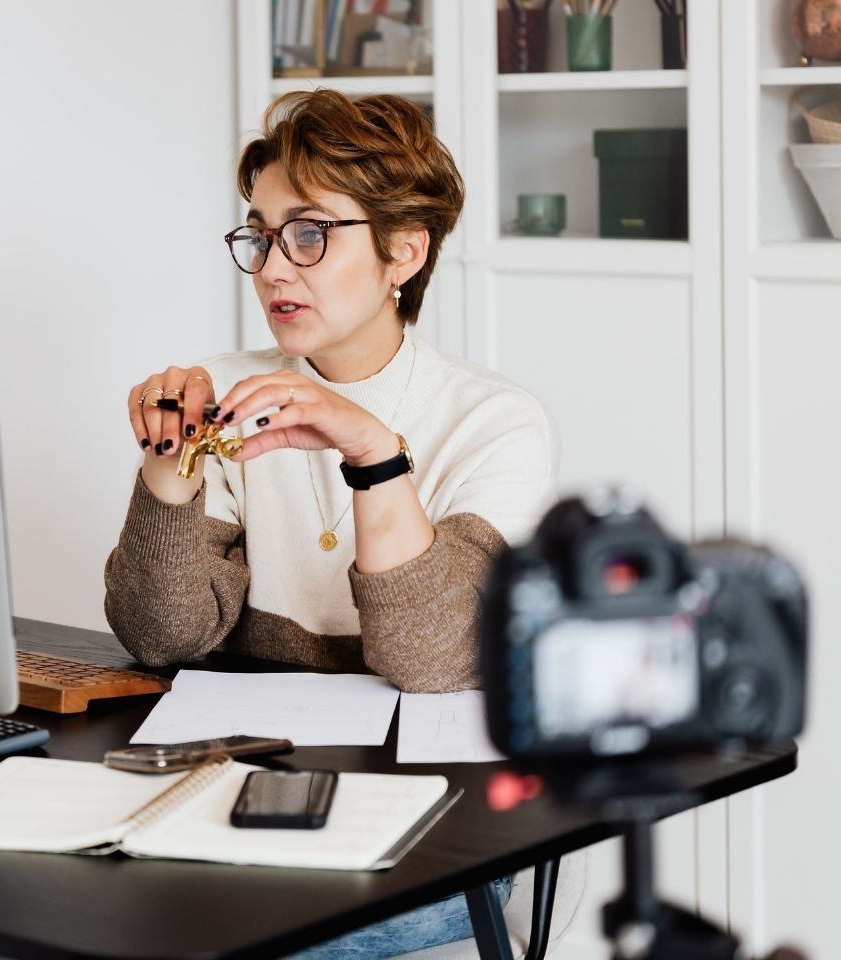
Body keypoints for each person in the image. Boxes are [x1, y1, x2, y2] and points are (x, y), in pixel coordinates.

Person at [100, 89, 559, 957]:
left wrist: (373, 455)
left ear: (403, 252)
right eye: (261, 234)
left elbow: (432, 661)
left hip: (441, 827)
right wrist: (168, 469)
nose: (275, 268)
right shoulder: (226, 393)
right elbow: (163, 635)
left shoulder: (496, 421)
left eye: (310, 233)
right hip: (246, 794)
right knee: (26, 925)